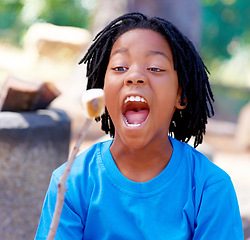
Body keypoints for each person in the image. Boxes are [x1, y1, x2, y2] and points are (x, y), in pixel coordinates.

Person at [35, 13, 244, 239]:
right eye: (119, 67)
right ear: (101, 91)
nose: (135, 76)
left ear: (180, 96)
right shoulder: (71, 183)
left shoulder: (210, 188)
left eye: (155, 68)